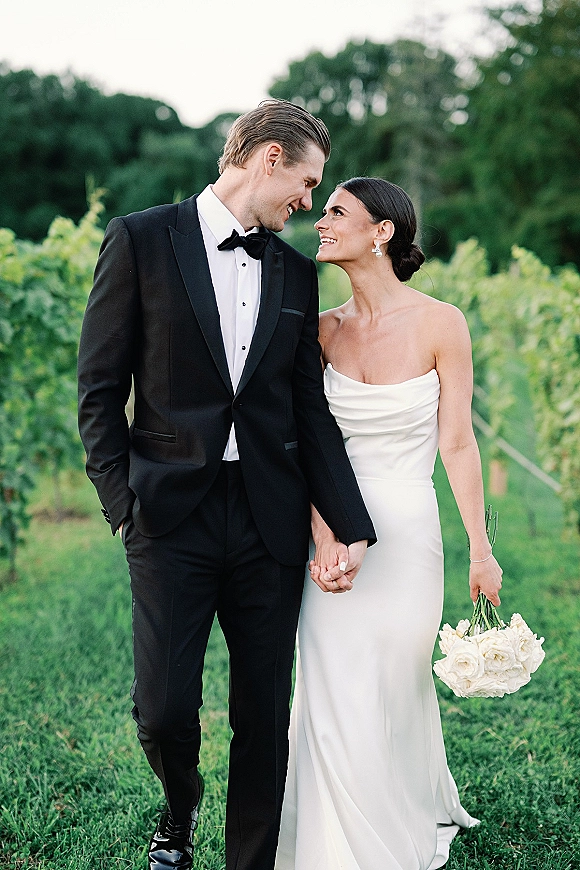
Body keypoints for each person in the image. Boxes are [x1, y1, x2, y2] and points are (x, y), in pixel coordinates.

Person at [77, 102, 376, 870]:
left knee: (262, 711)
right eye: (307, 183)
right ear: (269, 159)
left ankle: (250, 862)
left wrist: (349, 523)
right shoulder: (141, 239)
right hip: (168, 515)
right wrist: (124, 506)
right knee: (165, 711)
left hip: (268, 520)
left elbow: (308, 410)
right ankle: (179, 809)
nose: (309, 204)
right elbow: (99, 389)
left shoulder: (297, 274)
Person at [275, 177, 503, 870]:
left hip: (409, 528)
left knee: (397, 680)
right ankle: (335, 842)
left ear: (383, 232)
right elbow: (305, 443)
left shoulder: (442, 323)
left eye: (337, 211)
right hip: (337, 526)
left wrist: (480, 549)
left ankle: (400, 808)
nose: (320, 221)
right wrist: (325, 531)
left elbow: (457, 443)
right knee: (331, 678)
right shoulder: (319, 330)